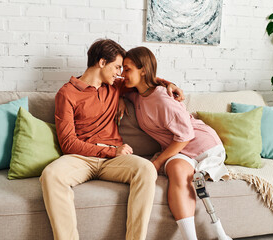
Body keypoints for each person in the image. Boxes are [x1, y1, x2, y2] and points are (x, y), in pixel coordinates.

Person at [39, 39, 184, 240]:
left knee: (147, 169)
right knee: (51, 175)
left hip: (114, 160)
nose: (120, 73)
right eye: (117, 67)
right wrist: (110, 151)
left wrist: (169, 84)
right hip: (81, 157)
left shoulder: (116, 86)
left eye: (122, 69)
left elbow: (143, 79)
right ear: (101, 62)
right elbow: (68, 144)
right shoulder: (67, 93)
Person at [119, 46, 230, 240]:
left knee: (178, 171)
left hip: (201, 143)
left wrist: (158, 161)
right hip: (181, 151)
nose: (122, 74)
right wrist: (119, 98)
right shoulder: (136, 93)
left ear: (143, 69)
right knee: (178, 172)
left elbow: (186, 135)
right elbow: (112, 84)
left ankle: (220, 233)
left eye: (127, 69)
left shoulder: (163, 98)